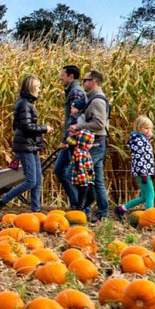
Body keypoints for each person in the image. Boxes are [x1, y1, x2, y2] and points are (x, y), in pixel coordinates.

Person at [0, 75, 50, 212]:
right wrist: (44, 128)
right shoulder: (25, 104)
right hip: (25, 146)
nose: (39, 90)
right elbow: (27, 127)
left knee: (38, 179)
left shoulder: (27, 103)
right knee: (31, 181)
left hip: (30, 145)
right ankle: (1, 203)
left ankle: (35, 210)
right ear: (31, 88)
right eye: (38, 87)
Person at [73, 69, 110, 221]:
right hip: (97, 142)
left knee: (83, 177)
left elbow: (99, 124)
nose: (83, 83)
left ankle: (84, 209)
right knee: (97, 180)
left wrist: (78, 127)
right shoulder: (93, 99)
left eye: (86, 80)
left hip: (95, 143)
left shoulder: (97, 101)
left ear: (94, 82)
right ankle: (103, 212)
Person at [53, 64, 86, 207]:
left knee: (65, 171)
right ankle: (76, 204)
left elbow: (74, 118)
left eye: (63, 75)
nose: (60, 78)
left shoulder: (75, 92)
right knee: (60, 170)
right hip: (71, 138)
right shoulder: (72, 91)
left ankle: (79, 205)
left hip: (73, 140)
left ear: (71, 76)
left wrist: (66, 140)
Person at [117, 115, 155, 220]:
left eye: (150, 129)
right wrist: (144, 172)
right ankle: (149, 218)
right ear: (139, 128)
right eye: (146, 128)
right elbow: (139, 158)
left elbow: (147, 157)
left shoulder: (142, 139)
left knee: (144, 197)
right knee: (151, 194)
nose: (148, 131)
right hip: (142, 172)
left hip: (145, 171)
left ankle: (121, 209)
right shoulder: (138, 140)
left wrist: (151, 171)